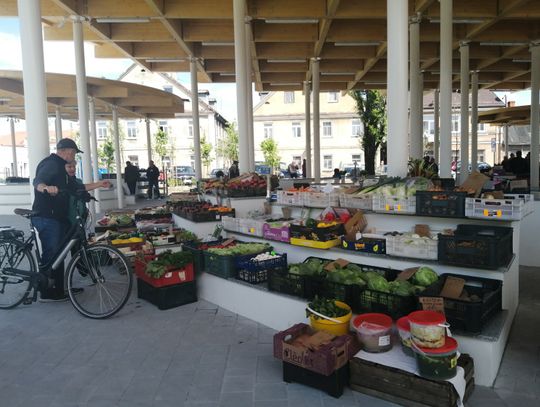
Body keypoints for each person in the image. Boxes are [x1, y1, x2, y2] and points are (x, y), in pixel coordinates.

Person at [31, 138, 82, 301]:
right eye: (73, 152)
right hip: (47, 216)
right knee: (52, 253)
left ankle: (60, 289)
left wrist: (100, 184)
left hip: (57, 217)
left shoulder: (62, 167)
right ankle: (46, 291)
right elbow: (37, 181)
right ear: (65, 151)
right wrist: (45, 188)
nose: (73, 155)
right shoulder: (52, 163)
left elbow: (76, 187)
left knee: (60, 254)